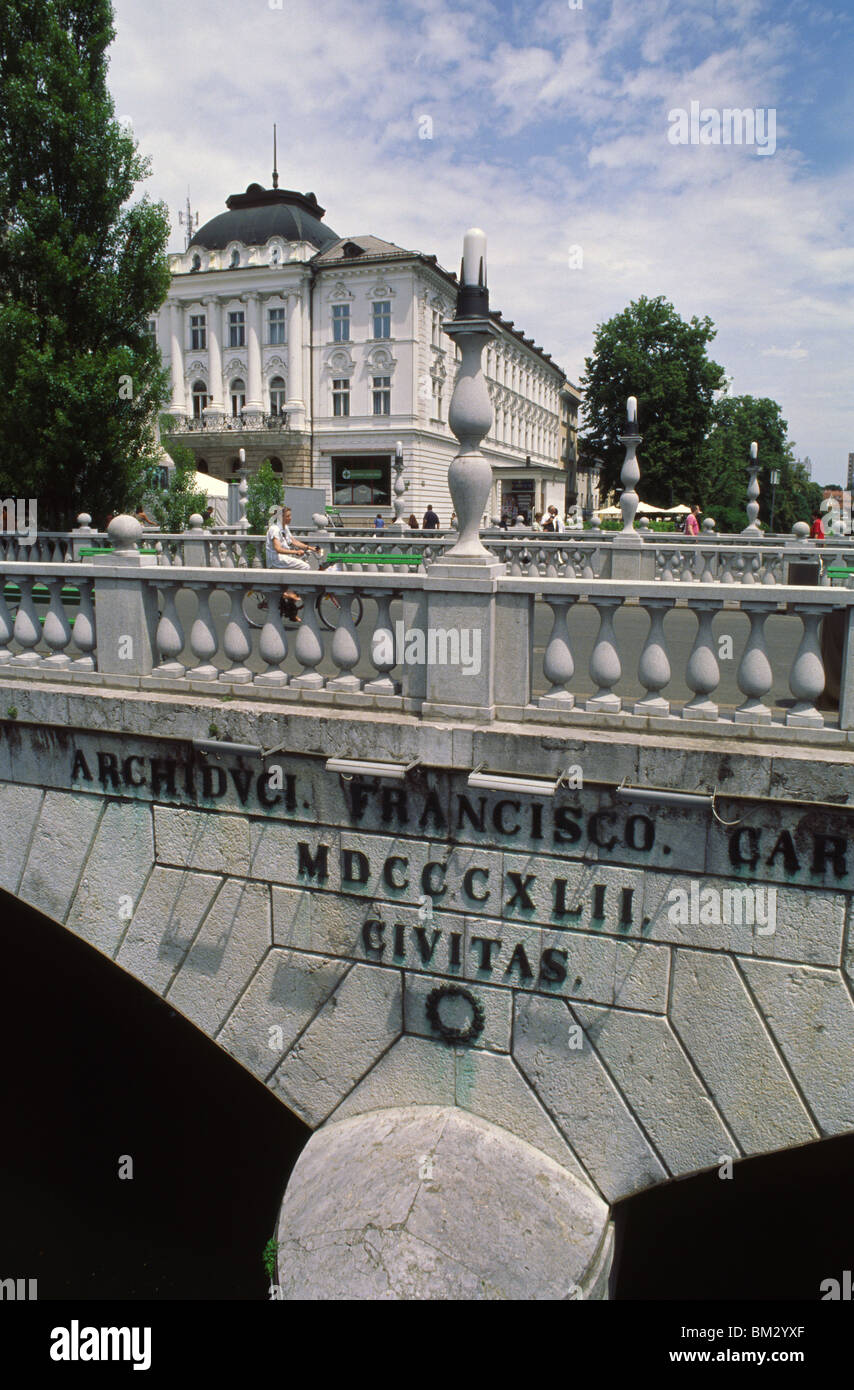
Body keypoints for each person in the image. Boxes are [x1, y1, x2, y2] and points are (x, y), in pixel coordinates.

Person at [265, 505, 320, 622]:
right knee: (305, 567)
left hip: (283, 559)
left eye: (290, 515)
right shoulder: (274, 529)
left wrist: (309, 547)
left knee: (296, 581)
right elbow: (278, 549)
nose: (290, 518)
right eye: (287, 516)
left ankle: (291, 612)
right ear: (280, 517)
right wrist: (295, 552)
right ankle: (289, 592)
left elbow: (293, 541)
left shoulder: (285, 528)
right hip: (276, 560)